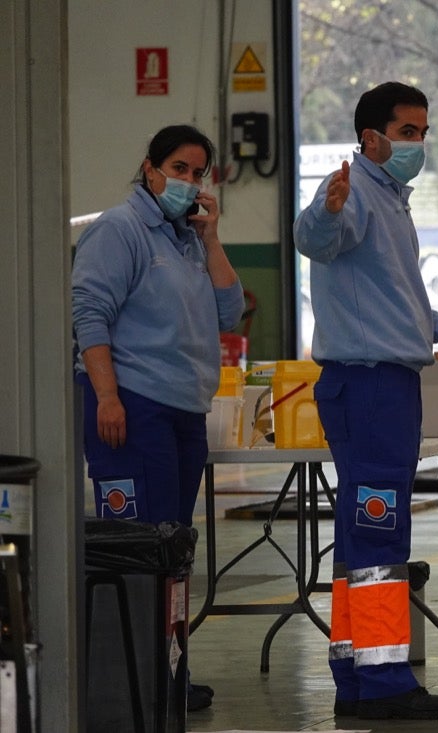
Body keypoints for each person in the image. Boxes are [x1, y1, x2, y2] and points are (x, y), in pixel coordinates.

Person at [294, 81, 438, 721]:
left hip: (383, 380)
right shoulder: (354, 196)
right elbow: (318, 238)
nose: (418, 143)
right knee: (381, 529)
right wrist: (326, 207)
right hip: (371, 384)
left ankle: (354, 672)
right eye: (408, 132)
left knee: (359, 535)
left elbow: (387, 293)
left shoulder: (392, 201)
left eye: (423, 132)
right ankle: (384, 683)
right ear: (372, 136)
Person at [72, 123, 246, 712]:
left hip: (181, 411)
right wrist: (107, 398)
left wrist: (213, 237)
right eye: (178, 168)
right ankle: (132, 679)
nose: (188, 181)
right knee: (138, 548)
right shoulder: (118, 231)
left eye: (198, 173)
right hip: (132, 406)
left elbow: (228, 312)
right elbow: (89, 315)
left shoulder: (187, 239)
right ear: (150, 168)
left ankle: (168, 672)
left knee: (173, 553)